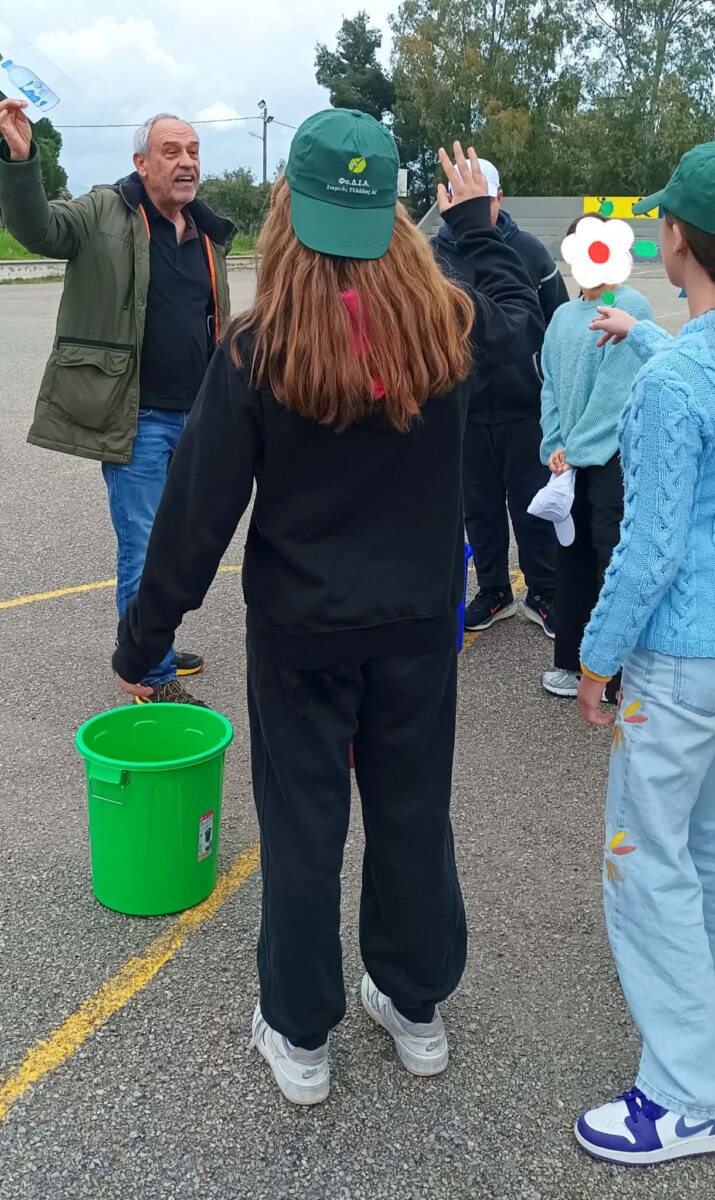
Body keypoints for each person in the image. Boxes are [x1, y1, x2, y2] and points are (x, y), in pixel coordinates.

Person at [111, 110, 543, 1105]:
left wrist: (145, 641)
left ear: (288, 213)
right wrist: (478, 225)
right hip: (415, 631)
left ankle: (301, 1036)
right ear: (393, 216)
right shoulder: (447, 325)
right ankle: (415, 1005)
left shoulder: (260, 346)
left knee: (302, 830)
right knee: (410, 813)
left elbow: (194, 515)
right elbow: (520, 324)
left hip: (301, 634)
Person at [574, 142, 715, 1167]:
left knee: (645, 865)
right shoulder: (679, 362)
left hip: (678, 664)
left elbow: (652, 545)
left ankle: (684, 1094)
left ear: (674, 238)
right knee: (701, 855)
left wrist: (596, 654)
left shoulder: (675, 384)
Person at [0, 101, 236, 704]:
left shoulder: (205, 231)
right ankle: (149, 675)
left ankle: (151, 640)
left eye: (193, 151)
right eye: (171, 151)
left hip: (197, 416)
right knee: (146, 544)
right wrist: (22, 162)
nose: (187, 162)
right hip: (139, 418)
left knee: (179, 543)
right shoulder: (103, 210)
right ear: (141, 162)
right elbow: (39, 228)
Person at [433, 158, 568, 637]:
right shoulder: (431, 257)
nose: (472, 206)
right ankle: (494, 591)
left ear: (499, 199)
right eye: (460, 198)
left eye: (483, 199)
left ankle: (544, 592)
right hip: (465, 410)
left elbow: (558, 321)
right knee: (479, 509)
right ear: (446, 201)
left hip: (526, 408)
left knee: (534, 506)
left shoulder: (528, 250)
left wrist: (558, 396)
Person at [539, 213, 653, 699]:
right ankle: (571, 662)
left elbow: (615, 395)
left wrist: (574, 449)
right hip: (570, 461)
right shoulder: (563, 316)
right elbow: (549, 385)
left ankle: (618, 676)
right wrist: (554, 445)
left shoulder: (629, 306)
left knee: (612, 560)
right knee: (571, 558)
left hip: (613, 459)